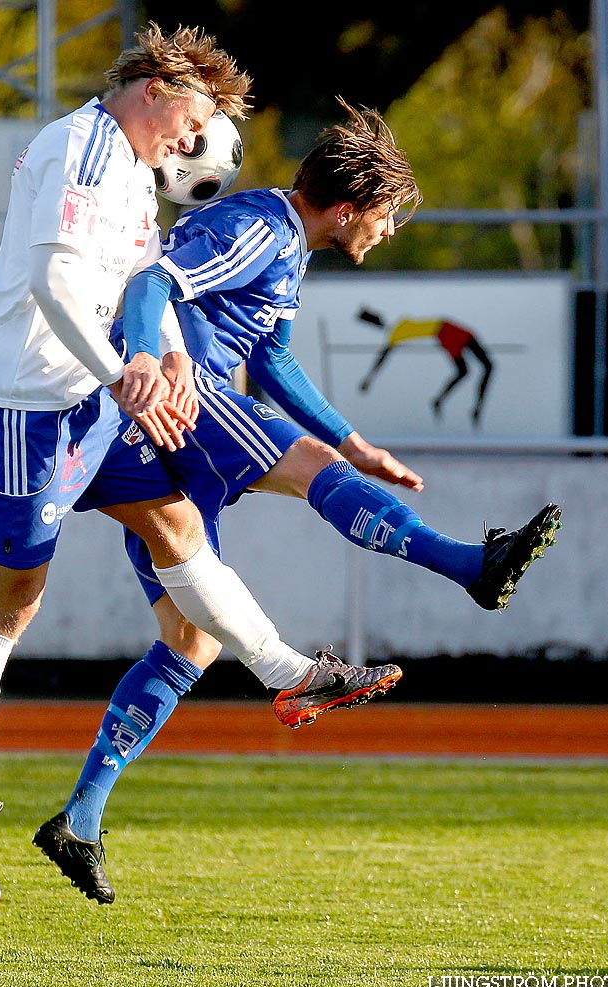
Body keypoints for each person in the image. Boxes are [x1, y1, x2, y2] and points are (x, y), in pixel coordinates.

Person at [0, 27, 401, 910]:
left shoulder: (140, 179)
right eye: (197, 117)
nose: (195, 141)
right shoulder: (79, 147)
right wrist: (124, 372)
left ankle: (292, 676)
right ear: (156, 87)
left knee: (177, 523)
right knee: (11, 601)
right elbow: (55, 284)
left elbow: (145, 285)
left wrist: (167, 357)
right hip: (25, 404)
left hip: (103, 399)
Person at [37, 99, 562, 904]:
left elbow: (274, 360)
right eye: (385, 218)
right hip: (184, 402)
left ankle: (79, 818)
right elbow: (154, 281)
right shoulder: (262, 226)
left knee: (191, 642)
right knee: (305, 465)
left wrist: (355, 442)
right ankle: (470, 566)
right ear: (349, 208)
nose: (387, 233)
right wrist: (149, 366)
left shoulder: (288, 249)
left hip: (176, 428)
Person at [357, 310, 494, 425]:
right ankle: (470, 406)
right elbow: (382, 357)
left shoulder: (399, 327)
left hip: (444, 331)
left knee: (468, 370)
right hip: (445, 330)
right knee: (480, 367)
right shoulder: (397, 331)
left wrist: (369, 378)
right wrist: (369, 378)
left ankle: (443, 401)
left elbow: (382, 357)